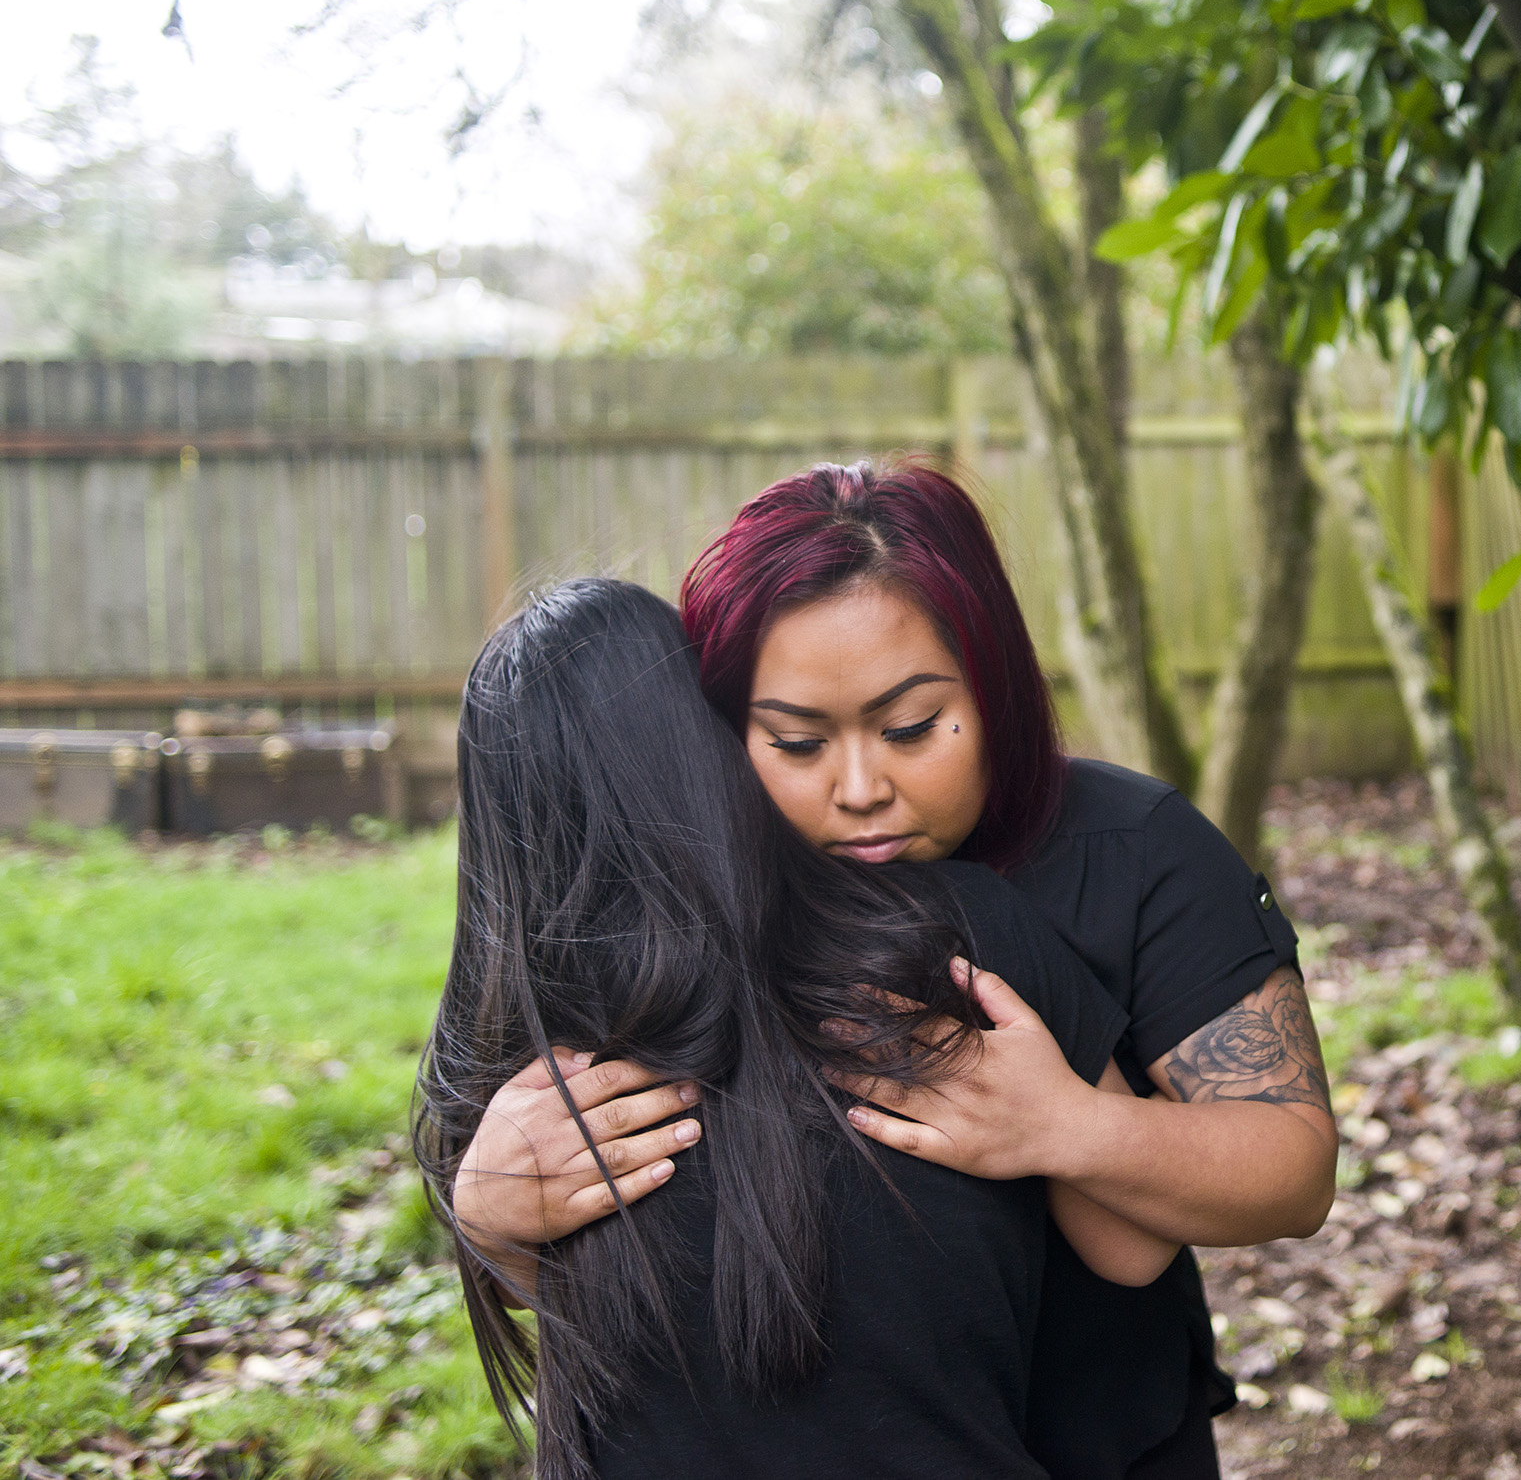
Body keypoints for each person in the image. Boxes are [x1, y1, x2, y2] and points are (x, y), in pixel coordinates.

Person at [454, 463, 1339, 1480]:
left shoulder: (1136, 853)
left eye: (911, 728)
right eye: (794, 741)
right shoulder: (693, 907)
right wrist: (489, 1219)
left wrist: (1068, 1127)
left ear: (995, 687)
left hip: (1113, 1445)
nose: (861, 790)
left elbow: (1293, 1171)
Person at [417, 578, 1173, 1480]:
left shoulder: (526, 1077)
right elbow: (1134, 1246)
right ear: (717, 741)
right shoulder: (955, 944)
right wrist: (1060, 1122)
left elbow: (630, 1352)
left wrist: (491, 1230)